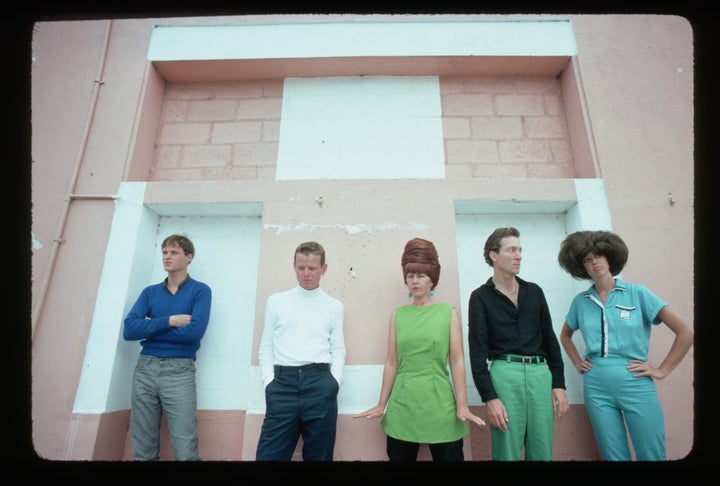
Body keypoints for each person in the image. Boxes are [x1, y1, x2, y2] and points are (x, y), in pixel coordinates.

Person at [557, 230, 693, 461]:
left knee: (651, 452)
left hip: (635, 382)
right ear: (581, 266)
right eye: (587, 259)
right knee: (613, 455)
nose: (595, 262)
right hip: (596, 386)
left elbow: (685, 332)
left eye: (598, 255)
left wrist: (661, 370)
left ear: (610, 257)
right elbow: (565, 336)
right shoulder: (581, 302)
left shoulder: (637, 293)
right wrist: (578, 362)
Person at [354, 238, 486, 461]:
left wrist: (462, 405)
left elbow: (456, 361)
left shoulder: (447, 313)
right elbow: (392, 362)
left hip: (440, 402)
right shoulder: (398, 315)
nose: (415, 281)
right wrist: (381, 403)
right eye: (410, 275)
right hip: (403, 403)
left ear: (432, 280)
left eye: (421, 275)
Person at [467, 227, 568, 461]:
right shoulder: (480, 297)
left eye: (520, 250)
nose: (518, 255)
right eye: (511, 250)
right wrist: (490, 398)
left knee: (542, 451)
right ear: (494, 255)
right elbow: (477, 352)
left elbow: (550, 340)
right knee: (507, 452)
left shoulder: (535, 292)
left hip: (540, 375)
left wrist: (559, 385)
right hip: (505, 374)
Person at [123, 233, 212, 461]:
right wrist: (170, 321)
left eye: (174, 252)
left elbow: (194, 333)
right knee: (143, 446)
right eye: (164, 252)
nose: (167, 257)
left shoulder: (200, 291)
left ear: (189, 257)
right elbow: (130, 330)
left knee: (185, 447)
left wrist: (150, 327)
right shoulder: (150, 292)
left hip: (179, 371)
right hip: (145, 369)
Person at [256, 241, 346, 461]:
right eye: (301, 267)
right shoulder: (276, 301)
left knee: (319, 457)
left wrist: (334, 381)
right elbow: (266, 346)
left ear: (323, 269)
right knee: (269, 457)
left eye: (312, 268)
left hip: (320, 384)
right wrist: (269, 382)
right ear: (294, 266)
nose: (306, 274)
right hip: (281, 385)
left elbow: (338, 349)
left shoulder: (334, 306)